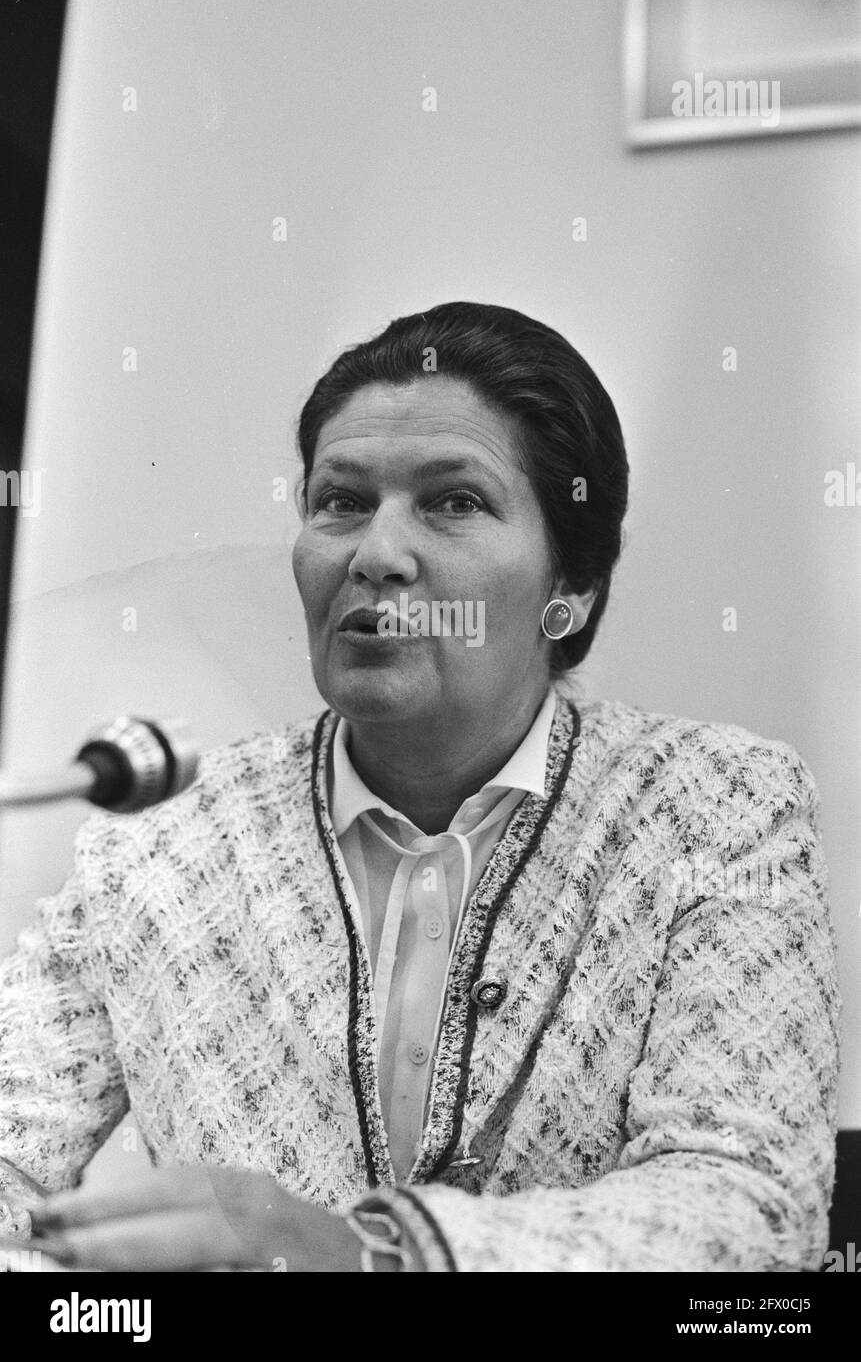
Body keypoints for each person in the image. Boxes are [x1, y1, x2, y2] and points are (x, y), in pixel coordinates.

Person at [0, 301, 841, 1272]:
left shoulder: (718, 808)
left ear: (571, 589)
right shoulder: (160, 843)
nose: (375, 554)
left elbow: (749, 1203)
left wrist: (355, 1256)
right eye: (341, 502)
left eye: (452, 502)